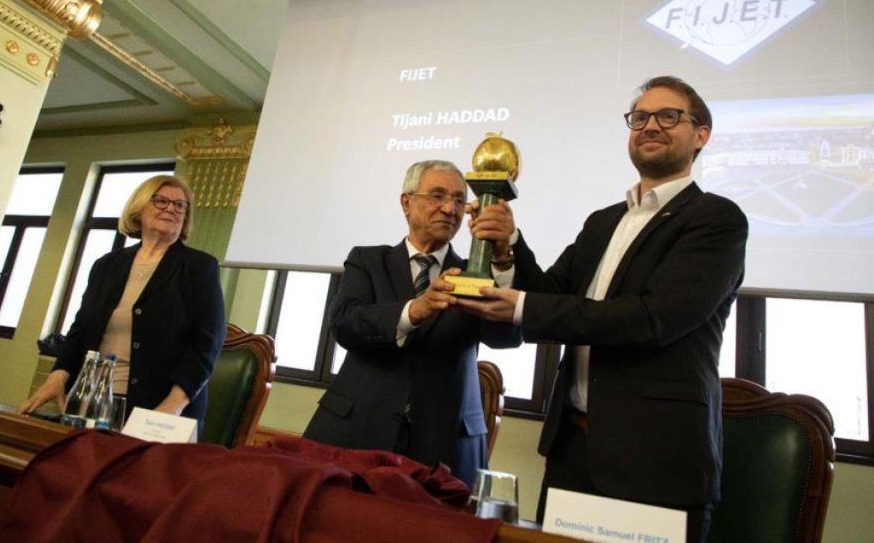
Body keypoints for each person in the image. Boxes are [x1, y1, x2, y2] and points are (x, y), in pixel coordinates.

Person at [459, 76, 747, 542]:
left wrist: (521, 305)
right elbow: (551, 294)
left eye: (668, 116)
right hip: (572, 450)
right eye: (640, 117)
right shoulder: (603, 221)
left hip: (656, 459)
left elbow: (652, 319)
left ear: (701, 135)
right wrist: (508, 248)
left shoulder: (716, 219)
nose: (650, 125)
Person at [302, 160, 521, 487]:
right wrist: (415, 310)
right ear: (406, 202)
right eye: (437, 196)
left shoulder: (475, 275)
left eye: (459, 200)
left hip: (443, 445)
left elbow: (506, 337)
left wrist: (502, 262)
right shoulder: (367, 260)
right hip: (356, 431)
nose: (450, 209)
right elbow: (346, 323)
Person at [18, 175, 225, 434]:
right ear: (139, 208)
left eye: (180, 205)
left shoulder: (199, 267)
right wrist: (58, 375)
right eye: (161, 201)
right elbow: (81, 329)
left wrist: (173, 405)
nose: (171, 209)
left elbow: (208, 342)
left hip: (161, 409)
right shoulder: (106, 265)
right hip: (93, 402)